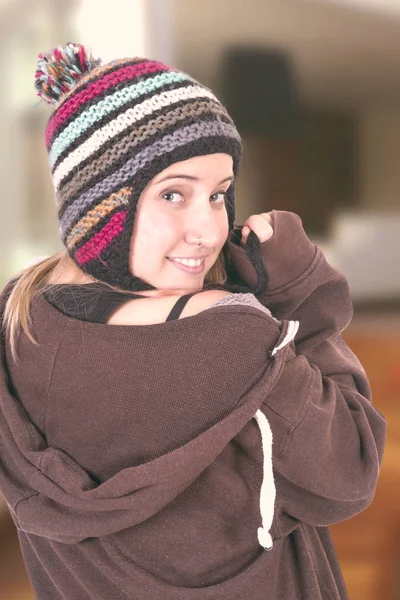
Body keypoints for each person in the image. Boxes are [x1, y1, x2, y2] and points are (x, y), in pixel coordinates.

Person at [0, 42, 386, 600]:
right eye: (174, 194)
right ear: (101, 206)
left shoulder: (24, 320)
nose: (208, 229)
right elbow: (349, 471)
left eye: (219, 194)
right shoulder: (227, 333)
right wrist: (301, 289)